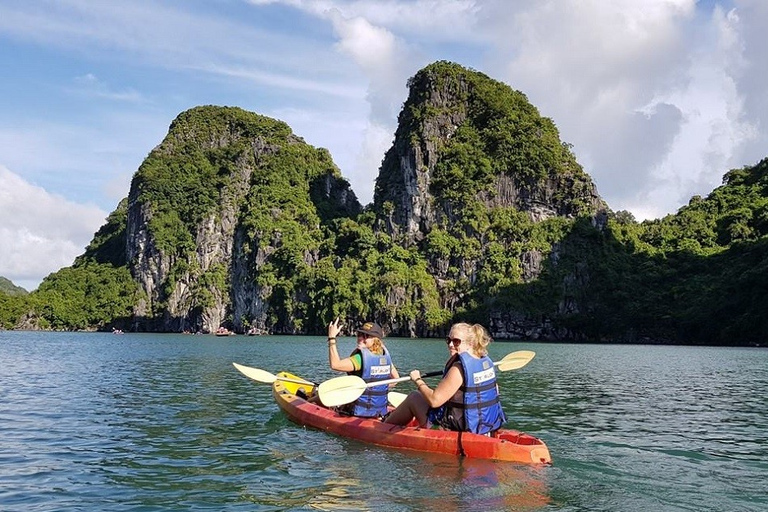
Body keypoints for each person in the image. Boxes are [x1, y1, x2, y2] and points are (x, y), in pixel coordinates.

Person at [384, 322, 506, 435]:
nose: (451, 345)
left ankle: (383, 428)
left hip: (453, 428)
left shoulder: (458, 369)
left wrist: (417, 380)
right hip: (483, 427)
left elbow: (434, 401)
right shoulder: (484, 362)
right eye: (448, 340)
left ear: (471, 343)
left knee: (414, 397)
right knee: (420, 397)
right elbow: (495, 390)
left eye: (456, 341)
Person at [325, 317, 399, 417]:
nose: (360, 338)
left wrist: (332, 338)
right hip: (379, 411)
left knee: (321, 397)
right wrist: (376, 389)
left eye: (366, 336)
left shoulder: (360, 358)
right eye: (359, 334)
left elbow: (335, 364)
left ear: (376, 340)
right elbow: (395, 379)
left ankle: (306, 399)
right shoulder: (384, 356)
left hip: (358, 412)